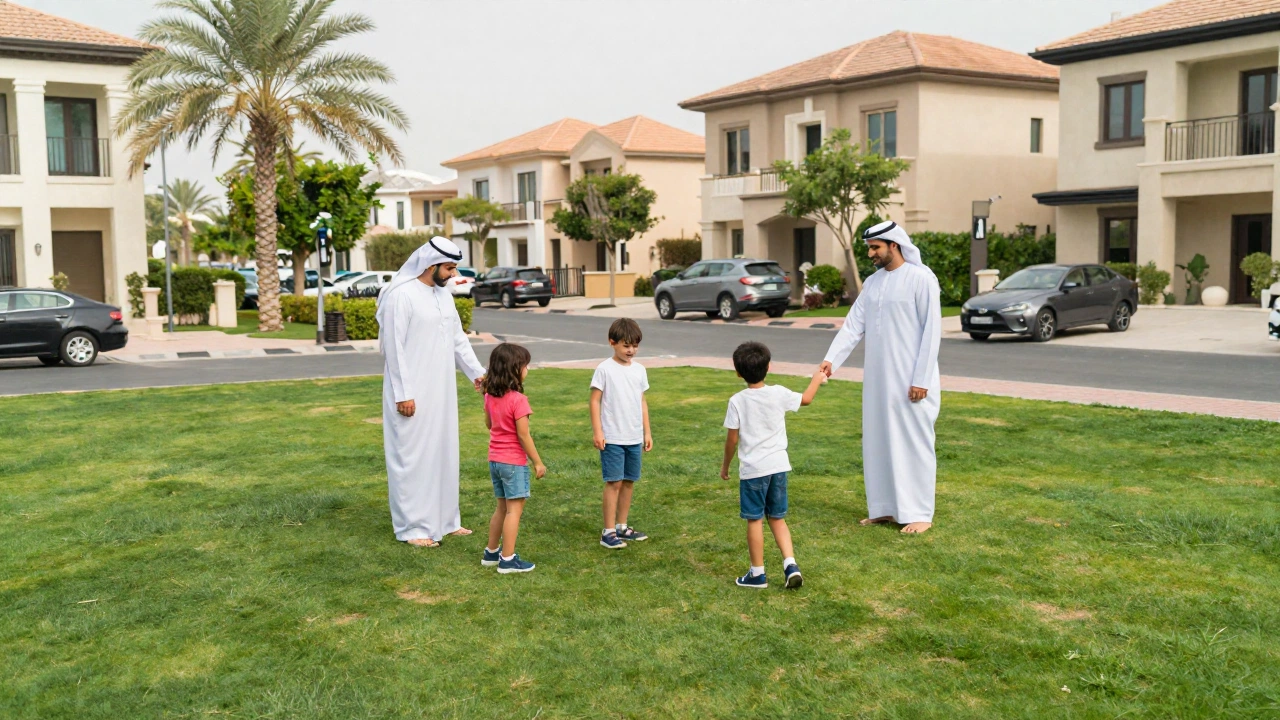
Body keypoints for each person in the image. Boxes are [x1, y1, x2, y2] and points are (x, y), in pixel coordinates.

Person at [819, 220, 942, 534]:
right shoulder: (872, 284)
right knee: (878, 442)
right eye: (870, 248)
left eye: (875, 247)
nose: (871, 253)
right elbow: (852, 326)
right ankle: (885, 509)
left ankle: (919, 514)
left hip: (912, 381)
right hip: (877, 381)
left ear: (894, 246)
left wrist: (921, 379)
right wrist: (831, 360)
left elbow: (932, 332)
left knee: (913, 443)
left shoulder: (921, 278)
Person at [377, 236, 486, 547]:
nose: (453, 274)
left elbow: (458, 341)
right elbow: (395, 350)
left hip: (441, 389)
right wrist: (403, 394)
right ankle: (413, 528)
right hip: (410, 391)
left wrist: (477, 375)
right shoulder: (401, 295)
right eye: (449, 268)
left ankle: (447, 521)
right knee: (412, 458)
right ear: (431, 264)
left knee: (443, 452)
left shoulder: (444, 296)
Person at [721, 341, 827, 589]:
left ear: (738, 372)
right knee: (777, 518)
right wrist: (816, 378)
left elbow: (732, 440)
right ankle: (791, 565)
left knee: (755, 520)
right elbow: (807, 399)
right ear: (768, 368)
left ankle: (758, 574)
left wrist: (725, 466)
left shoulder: (737, 401)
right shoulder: (779, 393)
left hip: (753, 471)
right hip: (779, 467)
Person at [481, 343, 546, 574]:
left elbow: (489, 424)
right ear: (514, 369)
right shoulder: (519, 400)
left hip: (495, 460)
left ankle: (491, 553)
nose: (527, 369)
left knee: (501, 508)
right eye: (525, 365)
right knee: (513, 511)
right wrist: (537, 461)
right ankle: (507, 559)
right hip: (513, 462)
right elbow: (523, 434)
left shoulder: (489, 396)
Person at [589, 318, 652, 549]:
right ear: (612, 342)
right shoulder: (604, 369)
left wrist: (647, 432)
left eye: (635, 346)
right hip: (613, 437)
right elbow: (594, 402)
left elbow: (642, 402)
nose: (631, 351)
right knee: (613, 482)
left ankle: (622, 527)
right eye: (626, 346)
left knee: (628, 482)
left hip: (634, 437)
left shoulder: (639, 370)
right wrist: (598, 431)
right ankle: (607, 532)